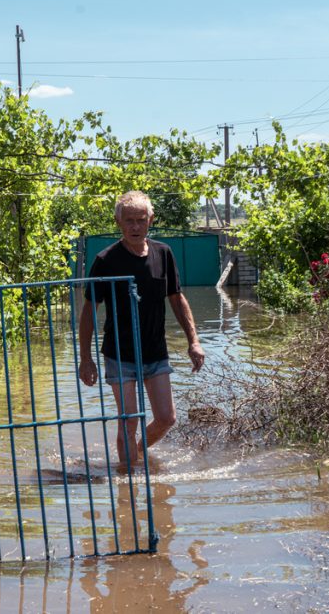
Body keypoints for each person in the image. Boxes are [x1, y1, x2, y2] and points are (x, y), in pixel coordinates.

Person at [78, 191, 205, 470]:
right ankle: (129, 484)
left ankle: (133, 454)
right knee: (129, 418)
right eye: (129, 221)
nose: (135, 227)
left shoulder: (164, 253)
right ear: (118, 222)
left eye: (141, 220)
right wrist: (85, 358)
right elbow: (89, 310)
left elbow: (177, 298)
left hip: (155, 349)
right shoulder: (106, 260)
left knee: (166, 418)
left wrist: (193, 341)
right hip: (119, 352)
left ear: (151, 220)